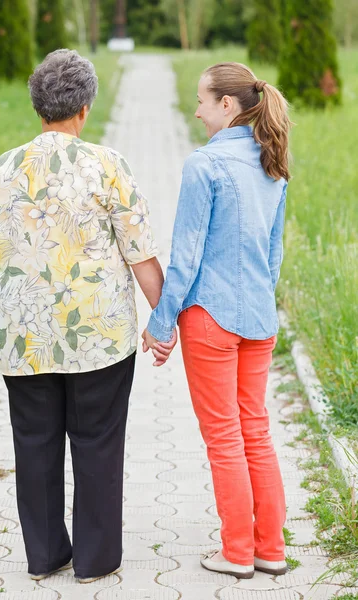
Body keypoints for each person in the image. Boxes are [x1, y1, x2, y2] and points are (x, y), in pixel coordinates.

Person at [0, 49, 175, 583]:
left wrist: (9, 317)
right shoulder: (108, 165)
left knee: (34, 443)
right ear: (83, 108)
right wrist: (164, 320)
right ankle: (96, 561)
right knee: (98, 442)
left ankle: (45, 556)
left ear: (39, 107)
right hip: (99, 336)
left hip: (23, 338)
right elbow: (140, 254)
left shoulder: (3, 168)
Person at [143, 62, 291, 579]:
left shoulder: (203, 166)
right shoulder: (273, 164)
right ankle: (270, 548)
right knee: (256, 431)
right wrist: (256, 300)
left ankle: (234, 553)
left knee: (225, 437)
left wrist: (161, 326)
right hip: (259, 318)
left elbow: (185, 259)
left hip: (209, 320)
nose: (197, 110)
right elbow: (273, 257)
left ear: (227, 105)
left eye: (203, 101)